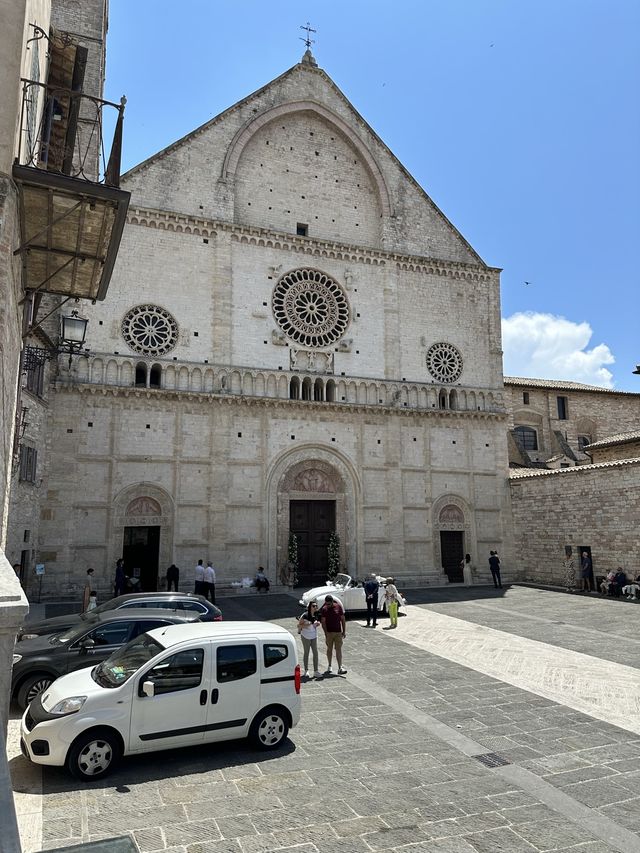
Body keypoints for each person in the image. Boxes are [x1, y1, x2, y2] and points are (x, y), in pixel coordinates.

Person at [319, 594, 347, 675]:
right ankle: (329, 665)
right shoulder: (324, 609)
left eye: (329, 604)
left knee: (338, 649)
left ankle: (340, 667)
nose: (327, 605)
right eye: (326, 603)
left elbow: (343, 619)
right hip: (329, 633)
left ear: (332, 602)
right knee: (329, 649)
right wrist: (325, 632)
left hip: (338, 632)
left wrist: (344, 631)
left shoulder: (338, 607)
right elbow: (323, 622)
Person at [297, 602, 321, 678]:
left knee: (315, 653)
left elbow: (316, 622)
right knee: (306, 653)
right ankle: (306, 670)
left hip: (314, 636)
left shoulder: (316, 614)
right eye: (313, 606)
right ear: (310, 607)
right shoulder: (305, 615)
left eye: (316, 606)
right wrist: (307, 624)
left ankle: (316, 671)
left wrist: (317, 624)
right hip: (306, 636)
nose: (315, 607)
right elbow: (298, 625)